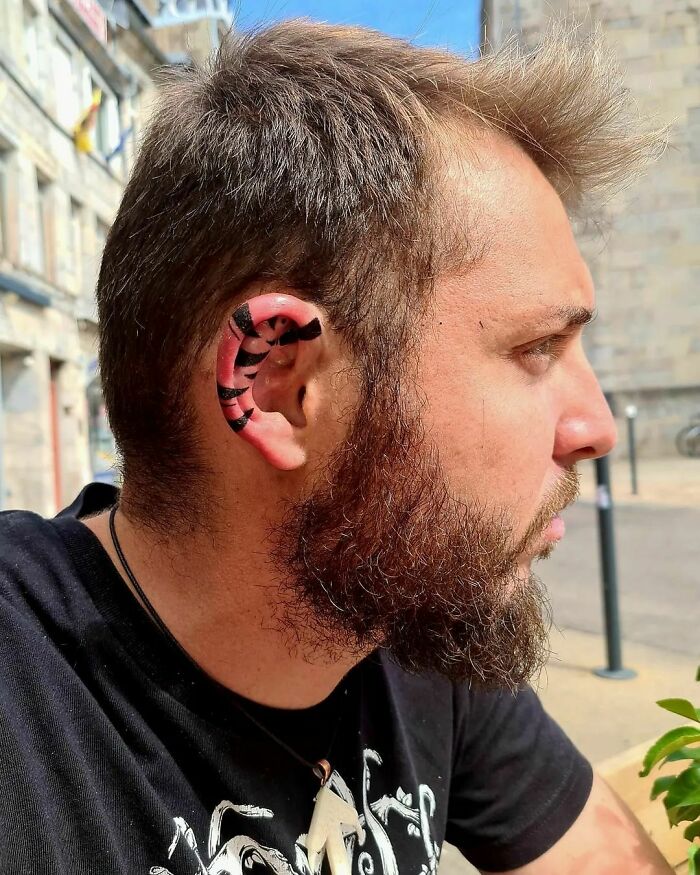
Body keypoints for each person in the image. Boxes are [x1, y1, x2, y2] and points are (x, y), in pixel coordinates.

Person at [0, 20, 671, 875]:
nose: (597, 426)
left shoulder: (402, 606)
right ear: (274, 381)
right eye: (536, 348)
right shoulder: (23, 707)